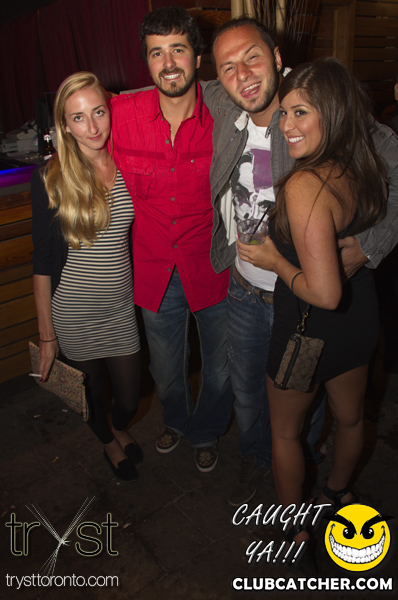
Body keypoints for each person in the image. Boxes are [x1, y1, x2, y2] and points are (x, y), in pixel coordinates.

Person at [201, 17, 398, 505]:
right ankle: (287, 472)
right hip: (246, 292)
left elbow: (394, 162)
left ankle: (295, 487)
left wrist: (370, 245)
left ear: (276, 56)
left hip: (302, 304)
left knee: (298, 419)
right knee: (252, 399)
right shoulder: (224, 102)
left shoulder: (318, 100)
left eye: (252, 57)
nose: (242, 75)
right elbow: (174, 80)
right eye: (227, 67)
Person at [237, 58, 386, 546]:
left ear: (333, 111)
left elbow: (324, 292)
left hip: (308, 329)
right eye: (284, 113)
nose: (286, 126)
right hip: (359, 320)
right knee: (351, 417)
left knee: (285, 432)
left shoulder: (305, 184)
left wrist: (274, 260)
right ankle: (339, 493)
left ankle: (295, 529)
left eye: (300, 112)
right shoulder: (363, 163)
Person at [110, 6, 232, 473]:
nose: (168, 63)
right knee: (164, 370)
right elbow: (77, 119)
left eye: (177, 49)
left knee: (219, 369)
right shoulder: (122, 114)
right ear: (146, 62)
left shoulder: (225, 113)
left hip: (214, 268)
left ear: (197, 58)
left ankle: (206, 432)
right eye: (156, 53)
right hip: (153, 270)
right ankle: (177, 422)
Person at [32, 72, 142, 481]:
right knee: (92, 396)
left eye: (99, 112)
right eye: (78, 117)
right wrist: (47, 337)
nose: (92, 127)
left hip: (120, 309)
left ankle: (120, 426)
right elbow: (42, 262)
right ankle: (109, 442)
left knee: (129, 399)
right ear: (64, 125)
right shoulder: (51, 178)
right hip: (74, 314)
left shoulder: (129, 164)